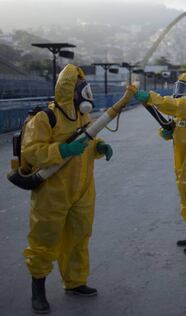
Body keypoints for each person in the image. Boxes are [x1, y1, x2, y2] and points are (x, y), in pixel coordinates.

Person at [21, 64, 121, 314]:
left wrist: (98, 147)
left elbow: (87, 141)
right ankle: (38, 289)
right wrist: (61, 151)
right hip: (52, 192)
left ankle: (75, 282)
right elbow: (31, 152)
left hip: (83, 189)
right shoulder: (45, 118)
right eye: (81, 91)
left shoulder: (83, 116)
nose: (85, 96)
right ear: (71, 91)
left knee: (78, 237)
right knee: (44, 240)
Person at [135, 71, 186, 254]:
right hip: (182, 164)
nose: (179, 91)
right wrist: (167, 134)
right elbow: (178, 131)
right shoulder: (183, 113)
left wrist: (151, 97)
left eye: (183, 87)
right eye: (178, 87)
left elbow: (170, 105)